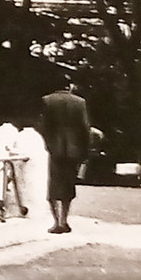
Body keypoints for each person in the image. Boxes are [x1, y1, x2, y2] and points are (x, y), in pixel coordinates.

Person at [38, 78, 91, 234]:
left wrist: (46, 144)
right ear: (69, 86)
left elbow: (44, 126)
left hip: (54, 149)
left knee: (53, 186)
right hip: (73, 150)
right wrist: (85, 150)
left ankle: (56, 222)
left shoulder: (47, 100)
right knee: (68, 185)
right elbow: (85, 128)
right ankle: (64, 220)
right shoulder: (80, 102)